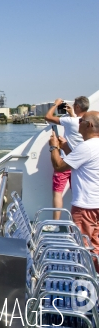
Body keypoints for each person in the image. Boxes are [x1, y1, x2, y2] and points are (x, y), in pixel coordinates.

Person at [49, 110, 99, 263]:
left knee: (80, 247)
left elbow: (58, 165)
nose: (78, 123)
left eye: (81, 121)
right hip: (96, 205)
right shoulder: (92, 147)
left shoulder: (87, 147)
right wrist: (65, 148)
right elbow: (82, 163)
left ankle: (84, 282)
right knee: (95, 245)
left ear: (89, 125)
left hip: (85, 207)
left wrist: (54, 147)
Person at [44, 96, 89, 225]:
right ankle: (78, 222)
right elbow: (76, 123)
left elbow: (48, 117)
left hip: (66, 160)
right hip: (80, 163)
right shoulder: (84, 123)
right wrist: (71, 113)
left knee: (58, 192)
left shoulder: (71, 121)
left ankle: (56, 223)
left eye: (75, 105)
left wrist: (55, 104)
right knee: (77, 191)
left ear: (78, 107)